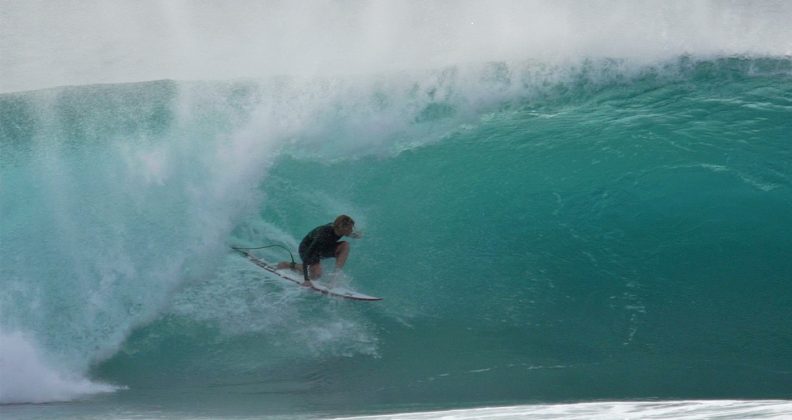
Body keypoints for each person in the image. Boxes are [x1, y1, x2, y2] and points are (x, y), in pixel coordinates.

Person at [277, 215, 361, 287]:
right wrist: (306, 280)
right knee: (316, 275)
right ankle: (289, 265)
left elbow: (348, 233)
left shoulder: (339, 229)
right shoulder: (323, 234)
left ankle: (335, 277)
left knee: (345, 245)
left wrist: (356, 235)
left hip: (324, 248)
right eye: (350, 228)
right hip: (307, 249)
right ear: (342, 227)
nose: (351, 230)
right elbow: (307, 255)